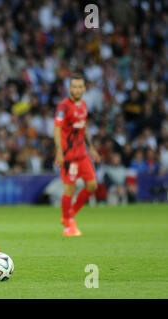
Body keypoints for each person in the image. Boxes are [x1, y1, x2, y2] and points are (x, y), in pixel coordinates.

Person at [54, 74, 101, 236]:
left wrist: (92, 148)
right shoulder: (63, 107)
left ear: (84, 88)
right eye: (74, 86)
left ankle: (70, 214)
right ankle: (68, 225)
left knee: (92, 185)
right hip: (69, 156)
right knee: (69, 189)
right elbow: (57, 128)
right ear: (69, 89)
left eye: (80, 86)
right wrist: (59, 151)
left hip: (83, 154)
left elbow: (84, 127)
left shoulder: (84, 105)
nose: (77, 89)